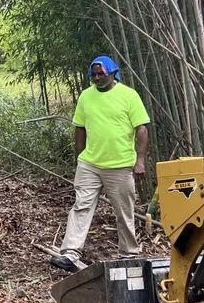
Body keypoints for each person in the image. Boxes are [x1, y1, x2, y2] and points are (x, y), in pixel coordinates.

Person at [50, 56, 149, 272]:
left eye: (101, 74)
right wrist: (80, 157)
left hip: (121, 164)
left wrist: (140, 160)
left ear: (112, 73)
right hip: (90, 163)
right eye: (93, 75)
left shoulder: (128, 95)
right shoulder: (86, 97)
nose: (97, 78)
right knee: (81, 206)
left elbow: (142, 128)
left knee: (124, 211)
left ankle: (128, 253)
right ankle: (70, 253)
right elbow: (79, 127)